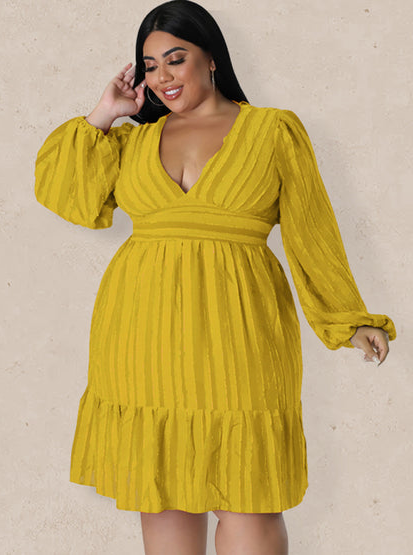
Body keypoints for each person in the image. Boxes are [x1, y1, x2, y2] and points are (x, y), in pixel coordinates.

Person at [34, 1, 396, 554]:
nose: (162, 76)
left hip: (240, 334)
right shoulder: (131, 140)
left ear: (212, 58)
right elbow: (65, 196)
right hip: (141, 336)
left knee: (248, 497)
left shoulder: (272, 130)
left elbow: (312, 231)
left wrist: (348, 319)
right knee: (162, 496)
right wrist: (104, 114)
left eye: (175, 58)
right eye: (150, 66)